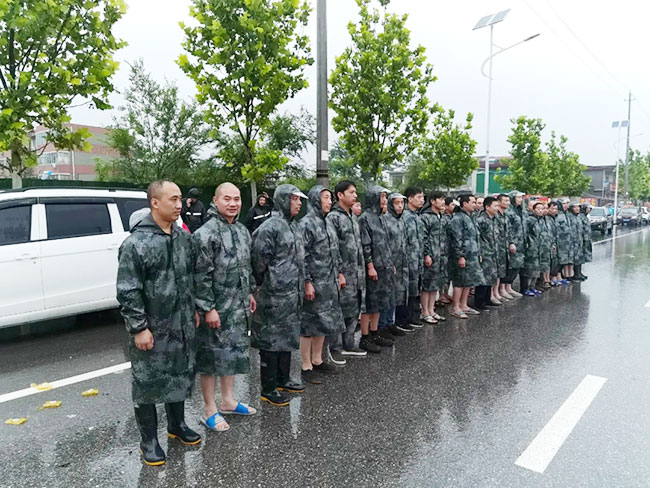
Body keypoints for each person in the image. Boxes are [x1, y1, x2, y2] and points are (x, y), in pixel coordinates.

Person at [117, 180, 201, 467]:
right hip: (152, 326)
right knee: (148, 381)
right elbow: (128, 290)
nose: (179, 205)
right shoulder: (135, 244)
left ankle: (177, 425)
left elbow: (190, 277)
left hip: (181, 322)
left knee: (178, 373)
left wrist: (193, 309)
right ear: (155, 203)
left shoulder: (183, 238)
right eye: (173, 199)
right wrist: (139, 328)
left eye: (180, 199)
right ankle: (149, 440)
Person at [192, 183, 258, 433]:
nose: (233, 204)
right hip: (216, 308)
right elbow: (200, 276)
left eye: (237, 199)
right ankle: (210, 408)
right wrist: (207, 307)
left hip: (238, 304)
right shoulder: (205, 233)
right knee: (210, 356)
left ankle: (228, 400)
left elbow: (246, 265)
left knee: (231, 352)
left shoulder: (241, 230)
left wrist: (249, 292)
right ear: (215, 201)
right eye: (227, 199)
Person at [251, 184, 307, 407]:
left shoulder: (294, 226)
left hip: (292, 295)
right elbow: (258, 262)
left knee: (287, 336)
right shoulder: (269, 227)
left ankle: (283, 379)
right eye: (294, 199)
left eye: (300, 199)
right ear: (283, 200)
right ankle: (268, 388)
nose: (299, 203)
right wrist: (268, 284)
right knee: (271, 341)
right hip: (273, 295)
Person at [299, 185, 345, 384]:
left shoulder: (328, 222)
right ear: (316, 200)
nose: (329, 201)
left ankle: (317, 360)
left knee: (323, 321)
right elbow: (302, 256)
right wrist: (307, 281)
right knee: (309, 324)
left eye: (330, 198)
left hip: (329, 280)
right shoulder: (306, 224)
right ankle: (306, 365)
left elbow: (335, 250)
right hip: (314, 282)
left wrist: (339, 273)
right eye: (325, 197)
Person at [326, 181, 367, 360]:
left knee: (354, 308)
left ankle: (349, 344)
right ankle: (336, 347)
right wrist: (339, 272)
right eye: (351, 192)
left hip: (357, 272)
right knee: (340, 309)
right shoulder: (333, 217)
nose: (355, 195)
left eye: (355, 192)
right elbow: (333, 248)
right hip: (343, 273)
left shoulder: (353, 216)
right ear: (340, 195)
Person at [358, 186, 395, 353]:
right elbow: (365, 245)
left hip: (384, 266)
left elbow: (386, 244)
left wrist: (390, 264)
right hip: (372, 269)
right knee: (369, 303)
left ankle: (375, 333)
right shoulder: (365, 219)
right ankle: (365, 337)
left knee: (379, 301)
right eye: (382, 197)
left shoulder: (381, 218)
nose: (385, 200)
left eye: (385, 197)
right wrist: (370, 266)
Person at [448, 194, 484, 319]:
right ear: (464, 204)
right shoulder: (458, 218)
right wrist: (460, 256)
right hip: (462, 255)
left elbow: (476, 238)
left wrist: (478, 253)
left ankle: (464, 305)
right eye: (472, 202)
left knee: (468, 281)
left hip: (472, 254)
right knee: (459, 281)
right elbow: (456, 239)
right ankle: (455, 307)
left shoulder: (471, 217)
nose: (474, 204)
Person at [379, 193, 409, 339]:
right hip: (389, 264)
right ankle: (382, 325)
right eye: (397, 203)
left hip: (401, 263)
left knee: (395, 294)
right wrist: (389, 263)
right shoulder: (385, 220)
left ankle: (391, 322)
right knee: (386, 294)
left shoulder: (401, 220)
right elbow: (384, 244)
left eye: (402, 203)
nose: (400, 206)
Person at [398, 187, 425, 327]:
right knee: (406, 290)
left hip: (417, 259)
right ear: (410, 199)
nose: (422, 200)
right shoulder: (404, 216)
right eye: (419, 197)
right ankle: (403, 319)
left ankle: (412, 316)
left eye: (422, 197)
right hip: (407, 260)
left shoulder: (417, 216)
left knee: (415, 289)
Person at [421, 191, 449, 323]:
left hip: (441, 256)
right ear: (432, 201)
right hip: (431, 256)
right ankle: (425, 312)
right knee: (427, 285)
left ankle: (432, 310)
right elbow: (424, 237)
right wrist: (426, 254)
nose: (443, 202)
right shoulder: (425, 217)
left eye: (444, 199)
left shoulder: (442, 217)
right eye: (440, 199)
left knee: (435, 284)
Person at [474, 197, 500, 310]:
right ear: (487, 207)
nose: (497, 208)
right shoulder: (481, 220)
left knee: (491, 276)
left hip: (493, 252)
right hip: (484, 252)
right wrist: (479, 253)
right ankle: (479, 301)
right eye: (495, 206)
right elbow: (477, 238)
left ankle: (487, 299)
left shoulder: (494, 219)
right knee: (483, 277)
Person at [503, 190, 526, 298]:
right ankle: (504, 288)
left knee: (517, 265)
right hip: (513, 243)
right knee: (510, 266)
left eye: (521, 198)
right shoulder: (509, 212)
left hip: (521, 243)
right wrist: (511, 242)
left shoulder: (520, 211)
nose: (521, 200)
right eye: (518, 197)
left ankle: (509, 287)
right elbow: (508, 229)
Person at [521, 201, 544, 296]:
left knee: (536, 268)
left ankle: (532, 287)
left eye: (542, 209)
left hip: (538, 248)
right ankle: (525, 288)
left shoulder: (541, 220)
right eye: (538, 209)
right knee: (528, 269)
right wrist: (527, 245)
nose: (540, 211)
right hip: (530, 247)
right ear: (533, 210)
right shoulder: (529, 220)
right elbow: (525, 233)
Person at [495, 194, 511, 301]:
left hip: (504, 247)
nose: (508, 203)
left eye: (508, 200)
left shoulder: (505, 215)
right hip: (496, 247)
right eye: (505, 200)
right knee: (496, 272)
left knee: (502, 270)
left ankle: (501, 290)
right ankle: (495, 293)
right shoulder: (495, 215)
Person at [555, 197, 575, 281]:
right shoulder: (558, 215)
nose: (566, 205)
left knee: (566, 260)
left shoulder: (567, 214)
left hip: (568, 241)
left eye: (567, 203)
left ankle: (566, 275)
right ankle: (558, 276)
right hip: (560, 241)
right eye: (563, 203)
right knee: (560, 260)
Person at [577, 204, 593, 279]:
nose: (589, 210)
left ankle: (579, 273)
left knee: (582, 257)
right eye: (588, 208)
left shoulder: (585, 217)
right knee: (579, 257)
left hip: (586, 239)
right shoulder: (580, 217)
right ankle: (577, 273)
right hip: (581, 239)